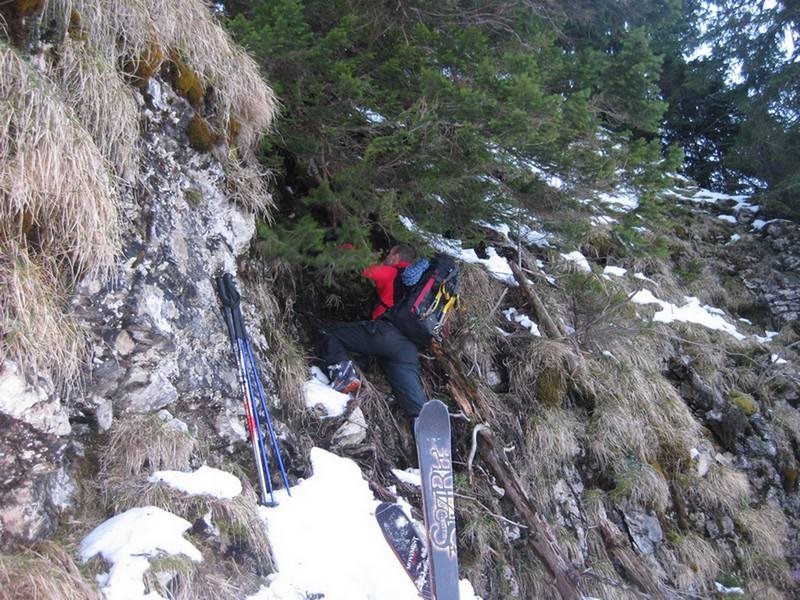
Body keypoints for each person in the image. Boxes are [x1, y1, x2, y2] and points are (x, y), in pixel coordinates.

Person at [319, 244, 428, 419]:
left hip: (385, 334)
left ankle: (344, 376)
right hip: (408, 348)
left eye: (389, 252)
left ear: (396, 256)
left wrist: (347, 245)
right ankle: (422, 421)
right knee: (412, 397)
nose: (386, 256)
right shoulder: (420, 286)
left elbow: (366, 268)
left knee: (329, 333)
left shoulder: (393, 273)